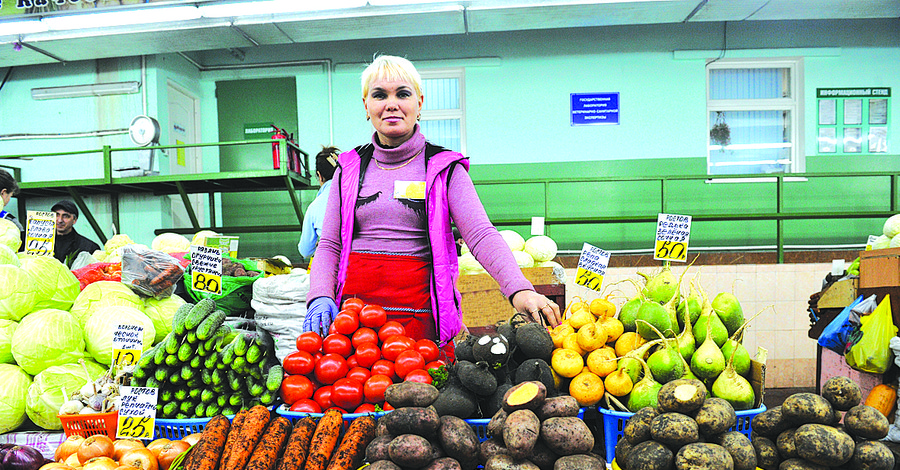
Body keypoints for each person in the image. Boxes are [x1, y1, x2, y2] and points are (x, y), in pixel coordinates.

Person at [303, 55, 561, 348]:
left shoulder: (444, 168)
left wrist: (519, 290)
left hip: (421, 322)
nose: (391, 103)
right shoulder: (348, 169)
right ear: (366, 106)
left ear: (419, 103)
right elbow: (330, 244)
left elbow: (480, 234)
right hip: (354, 321)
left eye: (402, 94)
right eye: (379, 95)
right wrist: (321, 294)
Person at [297, 146, 339, 259]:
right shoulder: (357, 195)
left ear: (319, 175)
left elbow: (305, 251)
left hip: (334, 266)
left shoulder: (315, 206)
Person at [52, 200, 101, 267]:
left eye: (65, 216)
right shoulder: (38, 244)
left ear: (74, 220)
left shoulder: (90, 248)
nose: (60, 220)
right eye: (56, 215)